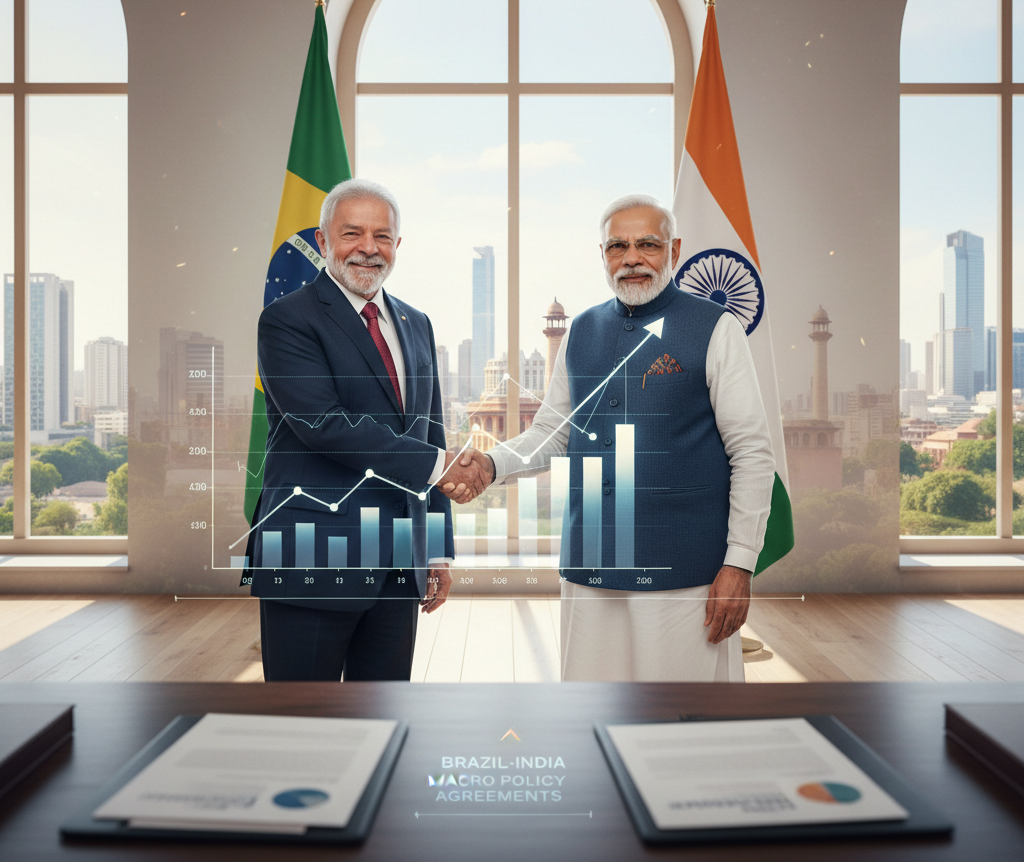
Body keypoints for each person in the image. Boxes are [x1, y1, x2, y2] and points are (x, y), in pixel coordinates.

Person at [457, 194, 775, 681]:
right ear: (602, 255)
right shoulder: (581, 329)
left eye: (648, 244)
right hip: (590, 563)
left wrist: (741, 563)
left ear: (674, 250)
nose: (632, 259)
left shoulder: (717, 328)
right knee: (591, 714)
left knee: (679, 724)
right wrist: (491, 463)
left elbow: (751, 453)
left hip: (684, 568)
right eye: (617, 246)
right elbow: (552, 431)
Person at [244, 179, 490, 681]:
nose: (367, 248)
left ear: (397, 245)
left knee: (383, 715)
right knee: (305, 725)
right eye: (352, 233)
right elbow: (324, 425)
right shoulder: (287, 321)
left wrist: (437, 547)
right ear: (322, 241)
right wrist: (441, 468)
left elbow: (429, 431)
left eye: (382, 236)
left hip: (399, 561)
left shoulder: (416, 323)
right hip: (312, 554)